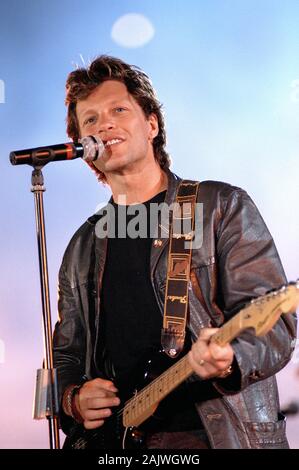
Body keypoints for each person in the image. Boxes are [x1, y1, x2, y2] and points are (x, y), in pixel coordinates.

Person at [53, 55, 296, 449]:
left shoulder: (220, 207)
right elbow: (66, 354)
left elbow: (276, 328)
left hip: (214, 439)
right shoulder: (82, 246)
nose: (105, 124)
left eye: (119, 109)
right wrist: (73, 400)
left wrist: (230, 359)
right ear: (83, 144)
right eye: (91, 120)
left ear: (151, 125)